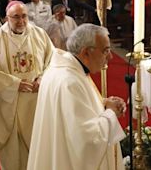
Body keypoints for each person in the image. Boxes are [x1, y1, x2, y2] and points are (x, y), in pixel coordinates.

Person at [27, 24, 126, 170]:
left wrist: (103, 103)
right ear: (86, 53)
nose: (110, 57)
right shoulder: (70, 82)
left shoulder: (63, 69)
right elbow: (87, 141)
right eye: (105, 51)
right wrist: (111, 113)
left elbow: (70, 112)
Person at [0, 1, 54, 170]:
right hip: (8, 105)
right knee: (12, 155)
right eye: (16, 17)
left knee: (37, 150)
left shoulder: (40, 34)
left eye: (24, 16)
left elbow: (52, 61)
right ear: (7, 18)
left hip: (36, 102)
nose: (21, 21)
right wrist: (15, 84)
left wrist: (42, 79)